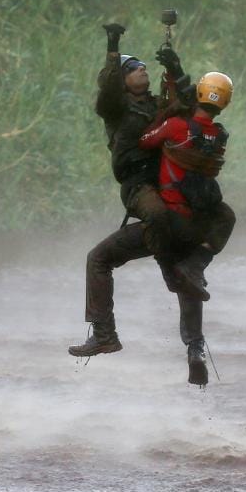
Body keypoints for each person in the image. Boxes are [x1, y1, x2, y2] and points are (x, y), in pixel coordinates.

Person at [70, 23, 193, 357]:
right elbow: (108, 86)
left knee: (165, 227)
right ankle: (105, 335)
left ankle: (191, 338)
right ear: (120, 80)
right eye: (133, 68)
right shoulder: (115, 108)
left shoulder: (157, 106)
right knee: (108, 252)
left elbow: (190, 106)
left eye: (143, 66)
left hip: (169, 185)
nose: (142, 69)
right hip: (140, 187)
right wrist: (112, 44)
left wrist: (175, 67)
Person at [137, 71, 236, 384]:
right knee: (190, 279)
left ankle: (102, 330)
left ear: (199, 94)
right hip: (199, 220)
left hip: (170, 216)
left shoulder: (176, 126)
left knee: (101, 256)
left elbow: (144, 141)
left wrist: (164, 113)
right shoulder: (219, 136)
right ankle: (195, 348)